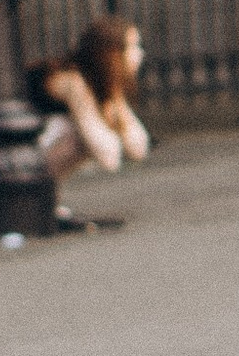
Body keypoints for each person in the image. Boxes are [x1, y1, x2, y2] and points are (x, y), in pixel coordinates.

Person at [26, 14, 151, 219]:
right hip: (21, 150)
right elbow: (108, 157)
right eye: (133, 47)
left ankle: (41, 198)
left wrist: (115, 97)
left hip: (35, 145)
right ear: (112, 55)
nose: (140, 54)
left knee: (85, 134)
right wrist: (114, 106)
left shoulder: (98, 82)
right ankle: (34, 197)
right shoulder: (72, 81)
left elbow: (138, 147)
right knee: (78, 136)